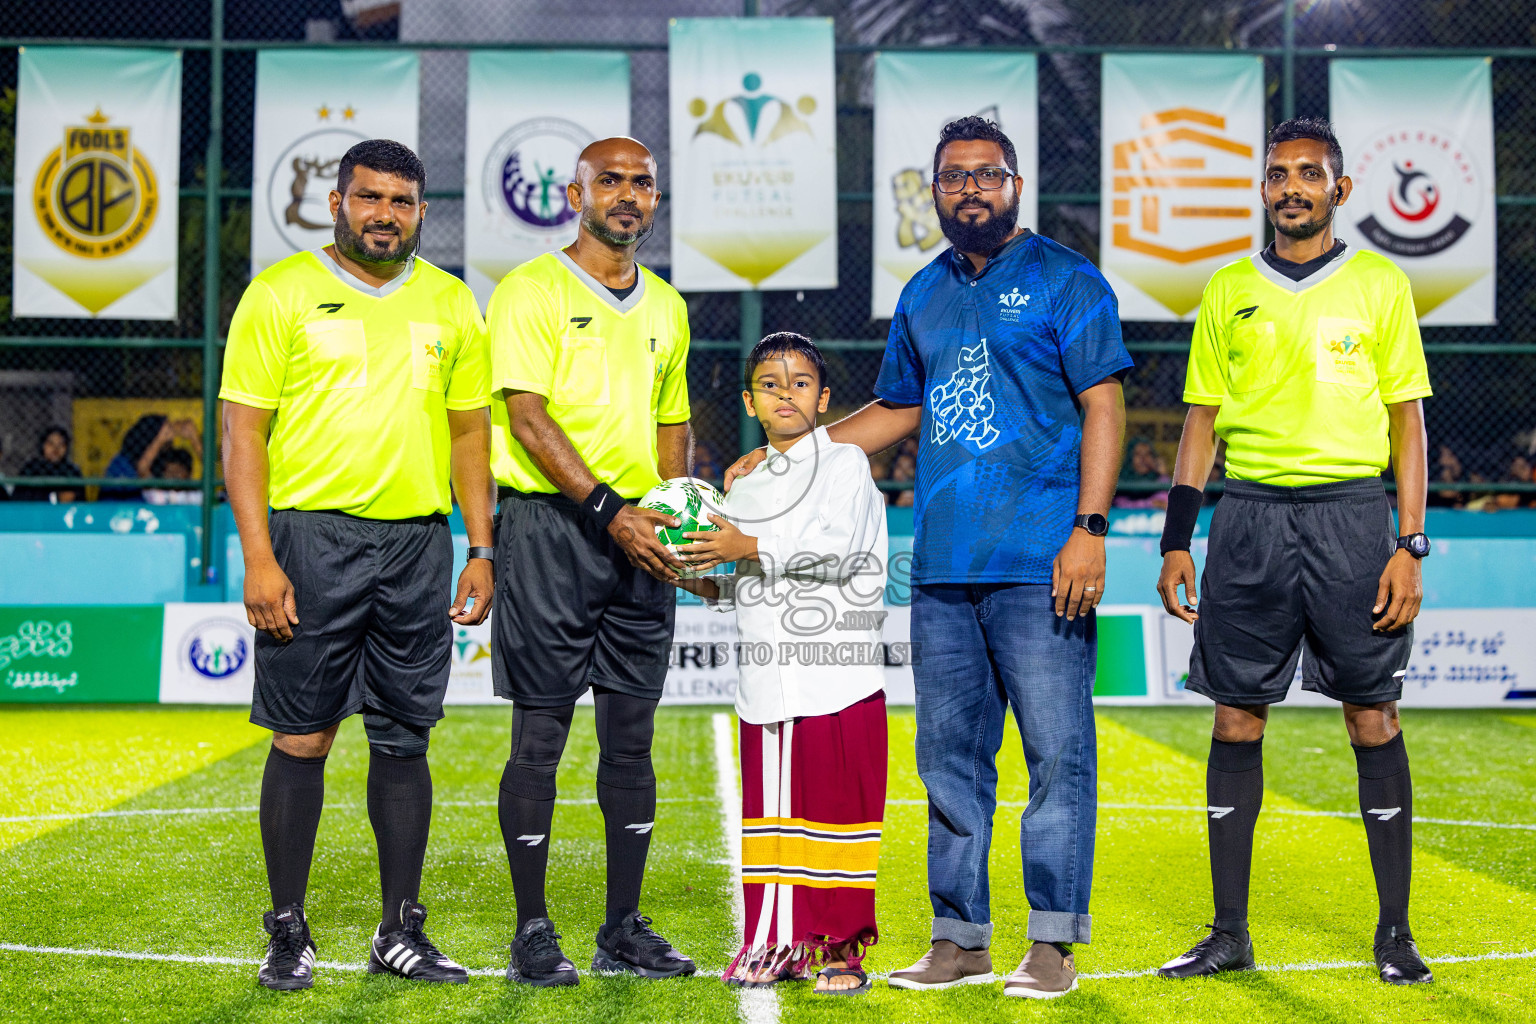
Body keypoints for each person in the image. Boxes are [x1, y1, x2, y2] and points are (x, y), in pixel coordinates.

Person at [727, 116, 1131, 999]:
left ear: (1015, 185)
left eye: (987, 174)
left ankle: (1053, 943)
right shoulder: (925, 293)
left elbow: (1104, 404)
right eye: (954, 177)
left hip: (1041, 560)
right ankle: (959, 939)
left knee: (1057, 754)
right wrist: (792, 448)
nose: (971, 189)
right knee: (949, 759)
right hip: (944, 565)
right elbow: (894, 411)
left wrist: (1089, 531)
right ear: (935, 191)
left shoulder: (1068, 279)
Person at [1155, 117, 1434, 986]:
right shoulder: (1228, 287)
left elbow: (1407, 421)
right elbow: (1201, 420)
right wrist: (1176, 538)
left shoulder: (1382, 284)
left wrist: (1409, 545)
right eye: (1278, 173)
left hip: (1353, 519)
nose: (1292, 186)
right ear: (1264, 188)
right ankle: (1230, 932)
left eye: (1310, 173)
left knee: (1371, 718)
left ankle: (1395, 933)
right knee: (1235, 715)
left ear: (1340, 190)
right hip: (1247, 520)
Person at [220, 139, 494, 991]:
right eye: (369, 198)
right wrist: (259, 555)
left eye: (402, 201)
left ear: (420, 210)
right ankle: (288, 928)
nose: (385, 214)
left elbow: (470, 434)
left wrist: (481, 546)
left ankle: (398, 930)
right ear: (336, 202)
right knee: (303, 737)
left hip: (418, 544)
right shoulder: (281, 295)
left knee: (405, 737)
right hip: (310, 542)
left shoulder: (452, 304)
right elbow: (242, 432)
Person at [487, 136, 696, 986]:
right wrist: (610, 510)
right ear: (576, 193)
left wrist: (680, 520)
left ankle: (622, 926)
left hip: (643, 537)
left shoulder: (669, 307)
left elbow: (672, 423)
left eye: (641, 183)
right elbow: (527, 418)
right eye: (610, 180)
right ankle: (532, 929)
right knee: (540, 735)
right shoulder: (532, 288)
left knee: (632, 740)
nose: (627, 195)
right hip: (553, 532)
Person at [678, 333, 889, 996]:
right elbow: (745, 578)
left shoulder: (847, 463)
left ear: (824, 399)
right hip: (768, 678)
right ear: (749, 401)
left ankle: (842, 950)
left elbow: (834, 550)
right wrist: (702, 580)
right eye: (771, 384)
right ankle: (775, 942)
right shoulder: (743, 484)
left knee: (838, 815)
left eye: (801, 383)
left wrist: (746, 542)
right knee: (773, 820)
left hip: (838, 671)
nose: (786, 394)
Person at [102, 415, 202, 501]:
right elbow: (142, 470)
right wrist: (160, 439)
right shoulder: (122, 463)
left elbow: (212, 474)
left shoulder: (193, 496)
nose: (174, 476)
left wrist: (195, 439)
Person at [15, 427, 83, 503]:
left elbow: (80, 499)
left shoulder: (71, 470)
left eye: (61, 444)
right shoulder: (31, 468)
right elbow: (20, 497)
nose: (56, 449)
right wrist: (56, 497)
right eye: (51, 444)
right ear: (43, 446)